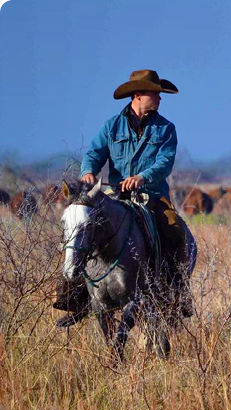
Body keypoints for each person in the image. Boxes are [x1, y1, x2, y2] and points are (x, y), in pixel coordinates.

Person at [53, 69, 190, 326]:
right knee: (81, 228)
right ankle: (75, 299)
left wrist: (142, 177)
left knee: (174, 230)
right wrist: (88, 172)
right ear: (137, 95)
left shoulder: (166, 128)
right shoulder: (111, 126)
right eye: (155, 94)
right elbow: (94, 153)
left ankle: (176, 294)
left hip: (152, 195)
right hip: (114, 195)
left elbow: (165, 162)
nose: (160, 99)